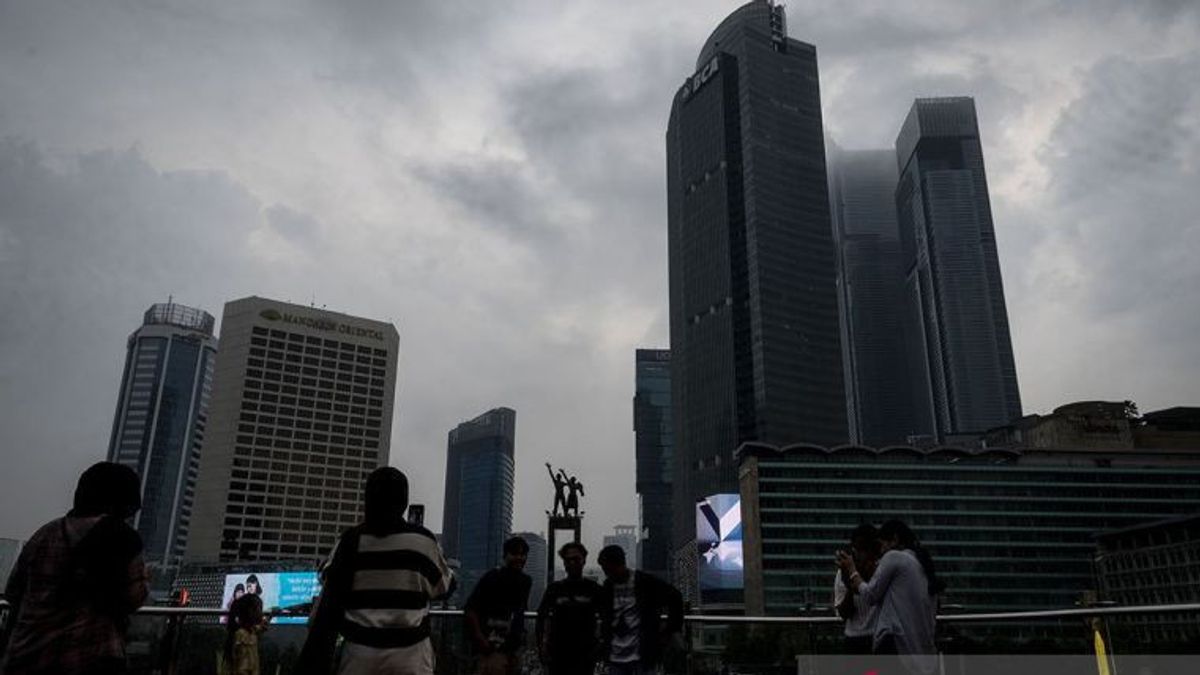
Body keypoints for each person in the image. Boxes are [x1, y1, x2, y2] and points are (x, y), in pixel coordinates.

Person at [297, 467, 454, 675]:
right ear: (404, 501)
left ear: (368, 499)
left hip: (359, 657)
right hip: (411, 658)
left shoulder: (350, 540)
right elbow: (445, 587)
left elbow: (327, 578)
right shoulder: (423, 542)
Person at [1, 461, 149, 675]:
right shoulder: (121, 538)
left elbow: (13, 593)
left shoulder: (45, 533)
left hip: (26, 656)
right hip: (90, 658)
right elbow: (134, 597)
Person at [835, 519, 942, 675]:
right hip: (916, 645)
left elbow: (870, 595)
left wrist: (852, 572)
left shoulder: (893, 559)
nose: (882, 551)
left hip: (892, 642)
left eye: (881, 544)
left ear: (895, 540)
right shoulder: (920, 564)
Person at [597, 544, 683, 675]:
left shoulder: (644, 583)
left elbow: (675, 597)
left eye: (608, 570)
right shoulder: (611, 586)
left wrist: (670, 629)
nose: (607, 574)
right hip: (622, 655)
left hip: (639, 654)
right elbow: (675, 597)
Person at [464, 537, 532, 675]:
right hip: (491, 646)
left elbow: (519, 612)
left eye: (522, 554)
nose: (519, 558)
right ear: (505, 556)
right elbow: (470, 609)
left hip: (512, 648)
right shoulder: (492, 577)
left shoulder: (525, 581)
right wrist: (481, 639)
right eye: (514, 554)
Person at [536, 542, 603, 675]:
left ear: (584, 561)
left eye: (576, 559)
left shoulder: (594, 588)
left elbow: (608, 616)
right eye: (568, 560)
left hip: (585, 654)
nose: (572, 563)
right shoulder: (554, 589)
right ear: (564, 563)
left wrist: (600, 645)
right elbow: (540, 617)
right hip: (557, 653)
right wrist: (541, 646)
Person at [833, 524, 882, 654]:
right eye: (857, 549)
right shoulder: (844, 572)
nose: (861, 554)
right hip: (854, 639)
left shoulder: (883, 570)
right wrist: (851, 585)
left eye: (865, 549)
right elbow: (844, 613)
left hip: (879, 636)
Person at [225, 580, 268, 675]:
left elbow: (261, 627)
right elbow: (243, 668)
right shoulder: (243, 635)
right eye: (258, 609)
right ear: (250, 612)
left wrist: (268, 618)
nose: (260, 613)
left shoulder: (248, 630)